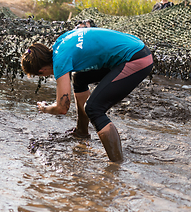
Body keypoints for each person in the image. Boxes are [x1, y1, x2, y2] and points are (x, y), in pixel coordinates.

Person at [21, 28, 154, 162]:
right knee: (79, 78)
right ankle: (81, 132)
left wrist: (45, 108)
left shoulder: (60, 61)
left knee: (94, 108)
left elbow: (62, 107)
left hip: (136, 59)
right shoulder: (60, 44)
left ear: (41, 70)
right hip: (135, 49)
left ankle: (116, 165)